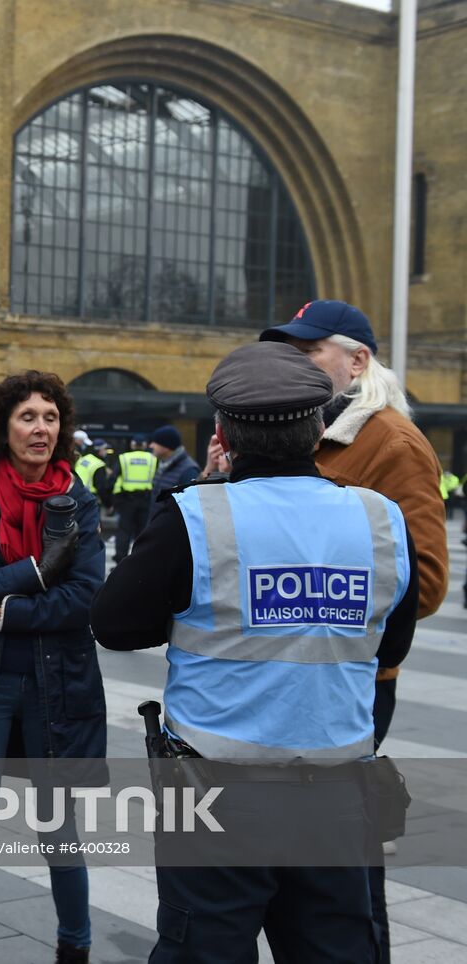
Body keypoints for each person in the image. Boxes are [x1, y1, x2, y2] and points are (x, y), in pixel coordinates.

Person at [91, 341, 418, 964]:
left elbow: (114, 624)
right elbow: (390, 645)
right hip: (336, 798)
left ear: (223, 432)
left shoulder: (196, 517)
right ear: (319, 426)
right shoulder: (380, 520)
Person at [259, 299, 446, 959]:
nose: (293, 362)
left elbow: (425, 580)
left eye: (308, 351)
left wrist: (315, 592)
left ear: (357, 362)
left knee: (341, 863)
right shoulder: (303, 430)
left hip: (354, 682)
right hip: (287, 674)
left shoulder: (391, 441)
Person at [0, 371, 107, 964]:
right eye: (27, 417)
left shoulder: (78, 499)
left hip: (57, 681)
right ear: (4, 426)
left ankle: (76, 946)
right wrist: (37, 573)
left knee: (60, 829)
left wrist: (4, 609)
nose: (40, 429)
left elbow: (87, 597)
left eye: (51, 418)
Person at [110, 440, 157, 563]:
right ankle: (141, 561)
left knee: (124, 531)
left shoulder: (124, 458)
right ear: (145, 445)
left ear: (132, 445)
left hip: (127, 500)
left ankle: (121, 561)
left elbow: (114, 478)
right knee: (143, 531)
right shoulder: (153, 459)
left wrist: (113, 500)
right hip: (146, 499)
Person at [148, 424, 199, 502]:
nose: (151, 446)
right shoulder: (162, 465)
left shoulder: (189, 470)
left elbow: (191, 503)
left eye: (155, 442)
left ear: (166, 446)